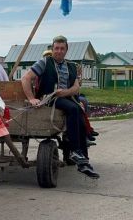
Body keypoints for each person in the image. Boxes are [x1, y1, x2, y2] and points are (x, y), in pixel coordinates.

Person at [21, 35, 99, 178]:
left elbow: (76, 88)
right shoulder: (45, 62)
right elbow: (26, 78)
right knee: (74, 109)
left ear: (66, 50)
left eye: (62, 48)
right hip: (49, 99)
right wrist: (31, 98)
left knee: (81, 122)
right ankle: (75, 151)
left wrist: (65, 93)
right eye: (56, 48)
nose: (59, 51)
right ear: (52, 49)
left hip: (67, 98)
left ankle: (84, 162)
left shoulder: (71, 66)